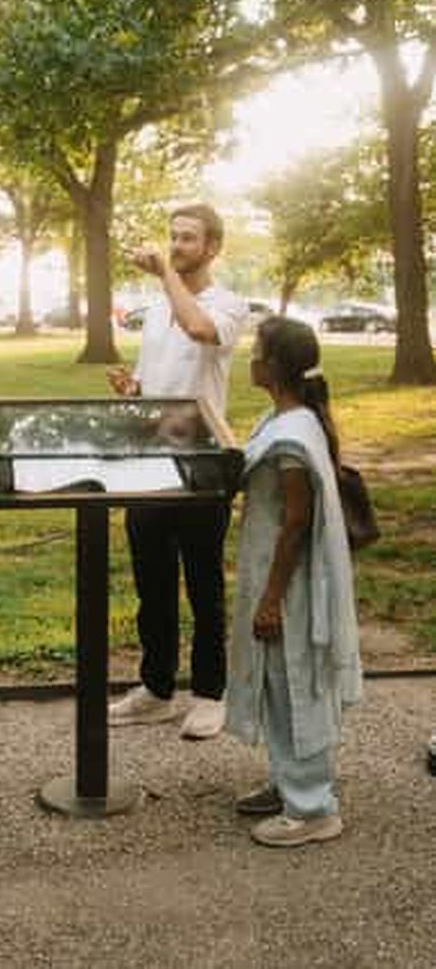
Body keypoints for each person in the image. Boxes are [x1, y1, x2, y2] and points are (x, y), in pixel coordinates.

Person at [108, 203, 248, 739]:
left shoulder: (228, 303)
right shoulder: (158, 305)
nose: (177, 246)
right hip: (150, 461)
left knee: (204, 584)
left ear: (213, 247)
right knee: (153, 583)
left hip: (203, 462)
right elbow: (154, 379)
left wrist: (166, 275)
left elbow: (199, 329)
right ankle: (158, 689)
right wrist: (134, 390)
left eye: (188, 239)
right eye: (173, 237)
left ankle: (212, 694)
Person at [225, 316, 362, 847]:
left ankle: (313, 807)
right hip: (273, 573)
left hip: (291, 583)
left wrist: (272, 599)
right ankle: (289, 783)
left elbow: (296, 523)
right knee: (276, 683)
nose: (250, 357)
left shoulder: (292, 435)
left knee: (295, 682)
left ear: (275, 365)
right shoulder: (285, 418)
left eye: (256, 350)